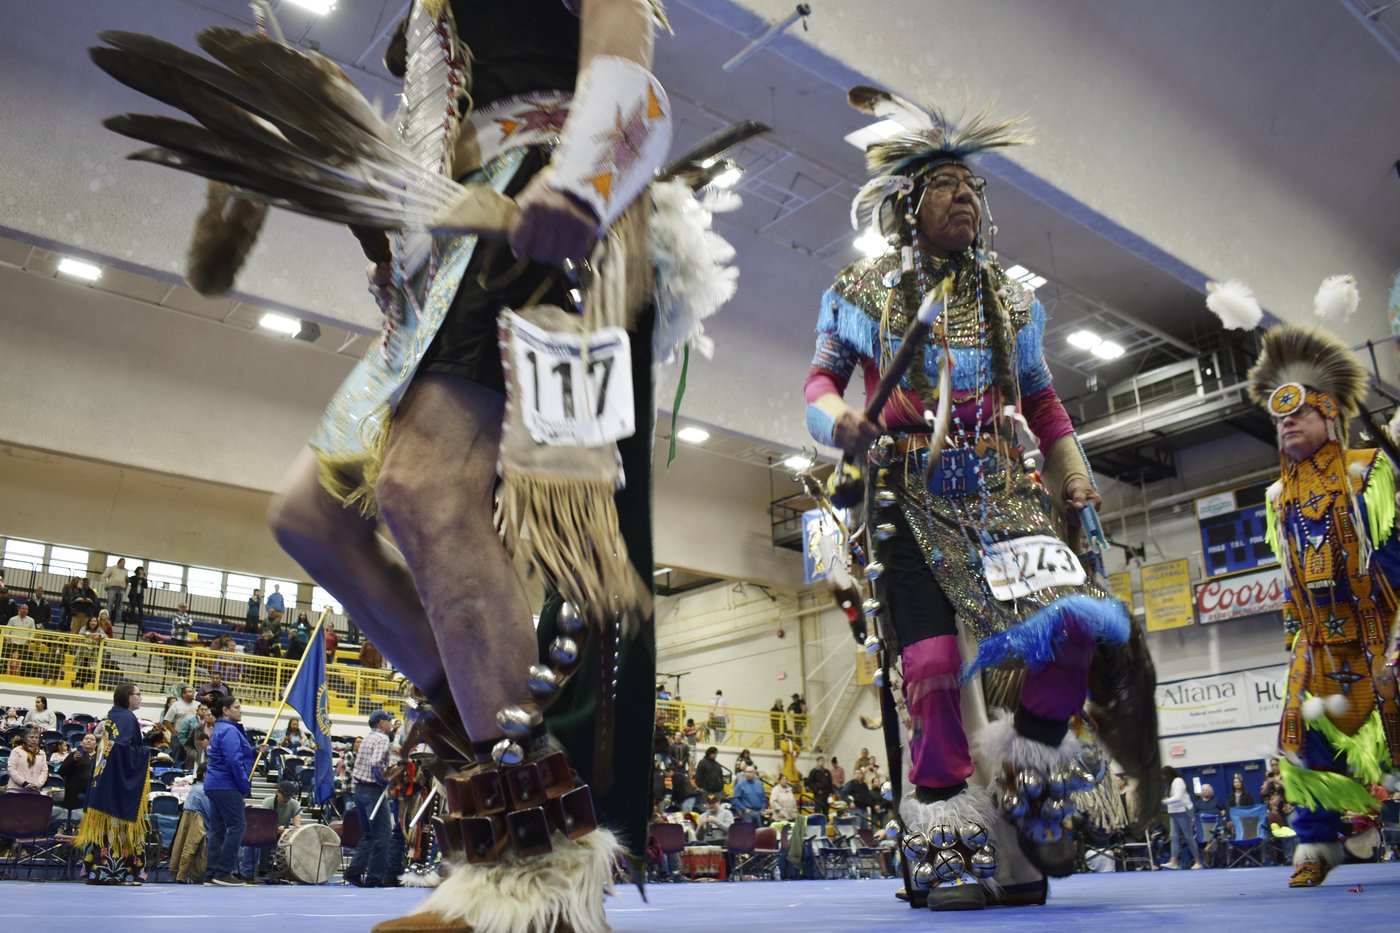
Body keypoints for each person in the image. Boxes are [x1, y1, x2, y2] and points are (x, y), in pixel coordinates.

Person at [803, 87, 1136, 910]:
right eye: (947, 184)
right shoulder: (865, 288)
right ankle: (946, 823)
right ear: (909, 204)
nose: (967, 197)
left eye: (973, 186)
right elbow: (819, 383)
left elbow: (1045, 399)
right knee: (930, 665)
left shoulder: (1010, 298)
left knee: (1079, 627)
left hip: (998, 486)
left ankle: (1031, 771)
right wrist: (837, 419)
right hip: (905, 486)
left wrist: (1073, 472)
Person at [1222, 320, 1400, 888]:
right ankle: (1317, 845)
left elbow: (1393, 555)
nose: (1286, 425)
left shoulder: (1366, 472)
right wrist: (1295, 638)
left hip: (1379, 628)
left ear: (1330, 416)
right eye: (1278, 419)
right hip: (1319, 638)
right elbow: (1292, 580)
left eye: (1298, 414)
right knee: (1302, 736)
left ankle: (1363, 823)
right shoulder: (1278, 498)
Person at [75, 682, 152, 884]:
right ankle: (115, 873)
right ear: (128, 696)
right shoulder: (127, 718)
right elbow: (121, 751)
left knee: (105, 831)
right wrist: (146, 752)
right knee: (118, 829)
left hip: (104, 784)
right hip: (116, 788)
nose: (141, 697)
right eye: (138, 694)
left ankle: (97, 872)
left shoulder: (113, 717)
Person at [204, 695, 266, 885]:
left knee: (217, 830)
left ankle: (212, 873)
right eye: (237, 707)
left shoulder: (220, 729)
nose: (241, 710)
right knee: (237, 826)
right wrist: (244, 784)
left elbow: (232, 754)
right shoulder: (230, 731)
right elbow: (233, 761)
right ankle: (223, 872)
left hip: (214, 784)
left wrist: (254, 751)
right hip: (227, 784)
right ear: (226, 710)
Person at [345, 709, 395, 889]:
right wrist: (385, 778)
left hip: (359, 790)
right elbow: (376, 763)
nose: (391, 723)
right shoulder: (382, 739)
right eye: (389, 720)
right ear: (382, 723)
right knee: (384, 835)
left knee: (369, 835)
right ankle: (374, 878)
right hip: (374, 790)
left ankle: (354, 871)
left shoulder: (367, 738)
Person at [239, 780, 303, 881]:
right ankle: (262, 869)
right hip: (268, 831)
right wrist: (276, 829)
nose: (286, 798)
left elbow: (297, 826)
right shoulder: (268, 802)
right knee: (264, 839)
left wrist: (288, 831)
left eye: (289, 796)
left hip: (284, 833)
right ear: (278, 793)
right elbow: (265, 822)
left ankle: (294, 870)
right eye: (284, 796)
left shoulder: (294, 804)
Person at [1161, 767, 1203, 870]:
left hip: (1183, 811)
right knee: (1174, 836)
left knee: (1188, 836)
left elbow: (1178, 797)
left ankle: (1198, 862)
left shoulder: (1178, 781)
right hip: (1174, 812)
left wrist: (1163, 801)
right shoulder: (1170, 784)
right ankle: (1173, 861)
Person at [5, 728, 48, 793]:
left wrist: (38, 784)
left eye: (36, 738)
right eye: (31, 737)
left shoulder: (42, 753)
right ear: (24, 739)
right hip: (15, 790)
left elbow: (44, 771)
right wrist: (24, 783)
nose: (34, 740)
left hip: (34, 790)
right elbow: (11, 769)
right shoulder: (16, 750)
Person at [72, 615, 107, 688]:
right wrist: (89, 634)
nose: (93, 623)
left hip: (93, 653)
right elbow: (81, 633)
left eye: (94, 621)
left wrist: (99, 635)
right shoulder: (84, 628)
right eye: (91, 621)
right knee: (81, 667)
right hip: (83, 652)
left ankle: (83, 683)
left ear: (97, 622)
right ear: (88, 622)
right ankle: (77, 681)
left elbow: (106, 636)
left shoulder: (99, 629)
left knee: (90, 669)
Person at [99, 559, 127, 626]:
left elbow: (126, 579)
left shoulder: (126, 570)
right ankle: (107, 619)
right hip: (112, 587)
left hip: (121, 588)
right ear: (119, 562)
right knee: (110, 604)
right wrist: (105, 585)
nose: (123, 564)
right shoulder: (112, 568)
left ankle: (118, 621)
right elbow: (103, 576)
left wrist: (125, 587)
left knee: (119, 605)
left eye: (124, 563)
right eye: (123, 562)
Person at [126, 566, 148, 631]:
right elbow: (133, 583)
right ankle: (131, 621)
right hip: (133, 594)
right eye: (140, 570)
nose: (141, 571)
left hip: (140, 595)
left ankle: (141, 622)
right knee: (133, 607)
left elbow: (145, 586)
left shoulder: (143, 578)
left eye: (142, 570)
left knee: (140, 608)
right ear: (137, 571)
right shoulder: (133, 577)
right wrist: (139, 578)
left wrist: (144, 579)